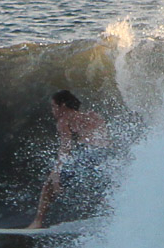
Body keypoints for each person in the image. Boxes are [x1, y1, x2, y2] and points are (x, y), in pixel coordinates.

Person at [27, 89, 110, 229]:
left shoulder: (64, 121)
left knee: (48, 185)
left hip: (90, 156)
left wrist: (56, 173)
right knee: (103, 187)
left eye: (54, 107)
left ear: (63, 106)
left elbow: (65, 149)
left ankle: (37, 222)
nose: (52, 111)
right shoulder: (93, 115)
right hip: (107, 156)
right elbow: (105, 140)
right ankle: (112, 217)